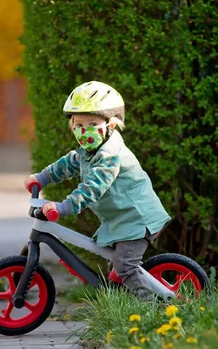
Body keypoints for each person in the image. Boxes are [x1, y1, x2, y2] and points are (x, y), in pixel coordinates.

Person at [24, 81, 171, 301]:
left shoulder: (110, 155)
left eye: (92, 123)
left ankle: (153, 307)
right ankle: (124, 302)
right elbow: (69, 163)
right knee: (116, 268)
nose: (84, 131)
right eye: (79, 125)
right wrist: (42, 178)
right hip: (123, 220)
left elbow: (93, 187)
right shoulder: (90, 150)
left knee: (124, 267)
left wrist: (64, 207)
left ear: (110, 125)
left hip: (138, 221)